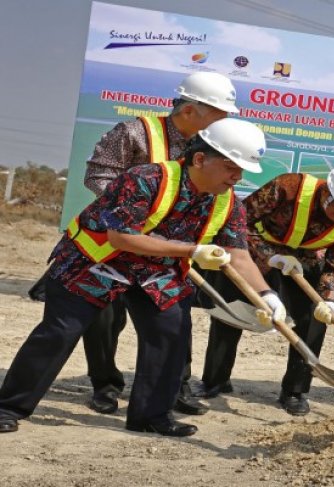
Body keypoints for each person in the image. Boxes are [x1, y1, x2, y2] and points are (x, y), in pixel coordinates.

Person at [0, 118, 286, 436]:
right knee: (60, 332)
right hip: (94, 261)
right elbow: (120, 238)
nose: (238, 176)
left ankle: (151, 416)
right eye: (232, 166)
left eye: (242, 170)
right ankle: (9, 406)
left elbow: (238, 254)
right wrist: (192, 251)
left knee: (172, 331)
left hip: (155, 270)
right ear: (201, 159)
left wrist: (266, 295)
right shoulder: (145, 179)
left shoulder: (228, 201)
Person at [81, 71, 238, 416]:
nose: (222, 123)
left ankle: (175, 388)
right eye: (218, 114)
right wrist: (134, 217)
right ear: (190, 110)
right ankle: (105, 385)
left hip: (166, 254)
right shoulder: (135, 133)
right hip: (114, 243)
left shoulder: (210, 147)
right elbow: (98, 174)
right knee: (104, 318)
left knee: (174, 319)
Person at [199, 163, 334, 416]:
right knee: (233, 312)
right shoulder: (288, 187)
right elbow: (238, 223)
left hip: (305, 261)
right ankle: (214, 380)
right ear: (327, 192)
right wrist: (271, 256)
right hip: (255, 250)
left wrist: (330, 298)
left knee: (313, 319)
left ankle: (295, 390)